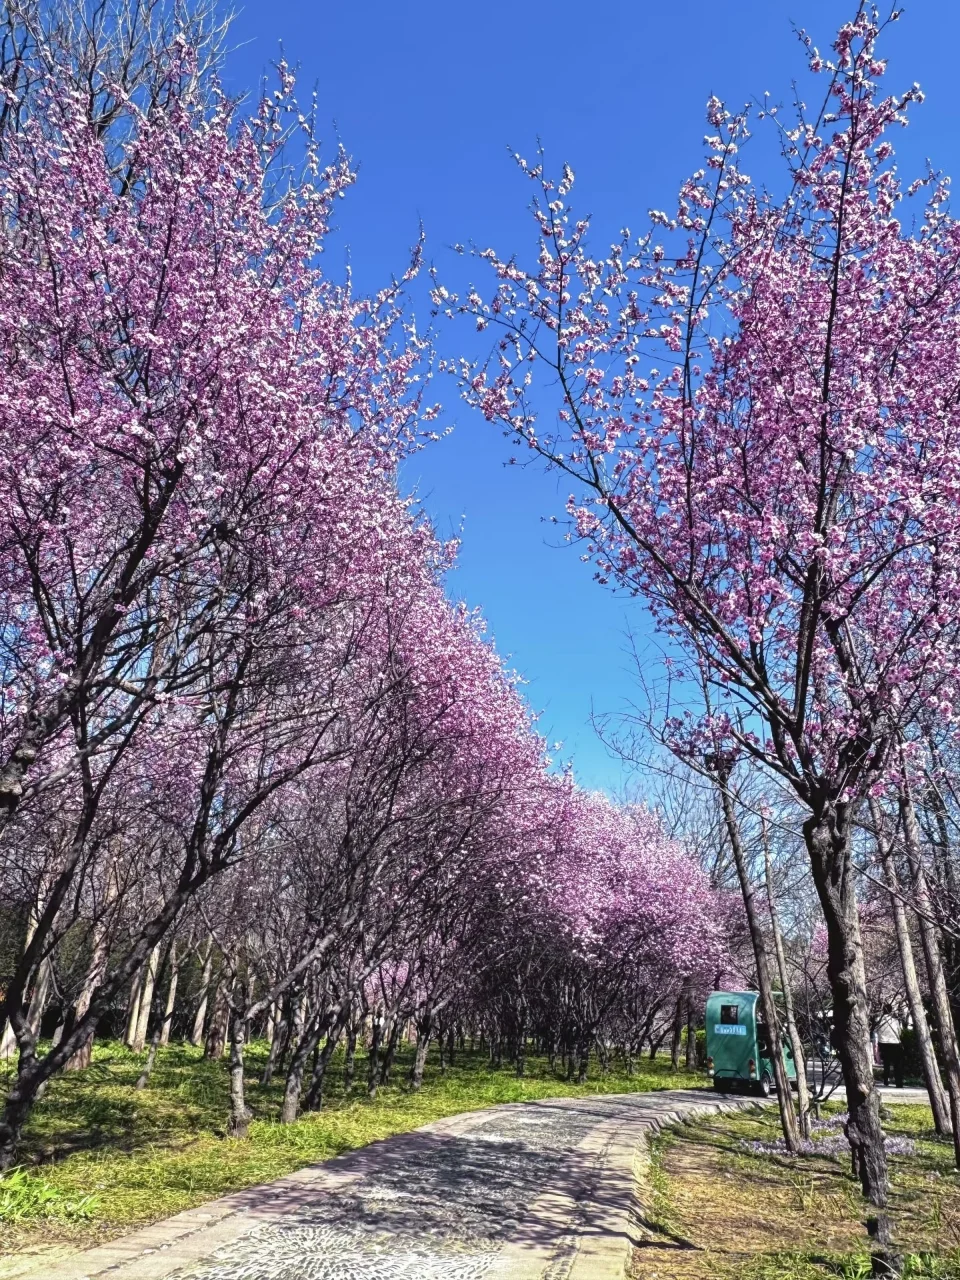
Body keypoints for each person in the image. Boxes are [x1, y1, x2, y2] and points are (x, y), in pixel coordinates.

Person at [874, 1004, 904, 1088]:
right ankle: (899, 1083)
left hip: (883, 1043)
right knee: (897, 1064)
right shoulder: (895, 1021)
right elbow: (899, 1032)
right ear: (891, 1011)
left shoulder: (879, 1020)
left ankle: (886, 1080)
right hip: (895, 1043)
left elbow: (875, 1030)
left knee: (886, 1063)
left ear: (883, 1010)